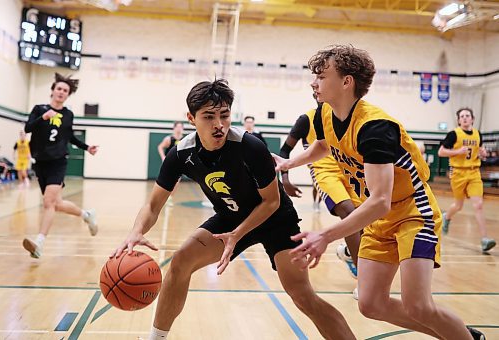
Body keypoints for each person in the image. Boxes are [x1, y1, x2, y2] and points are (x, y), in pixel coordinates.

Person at [112, 79, 355, 340]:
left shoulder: (250, 146)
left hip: (275, 220)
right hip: (231, 218)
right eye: (208, 117)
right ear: (191, 118)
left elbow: (271, 202)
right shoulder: (180, 154)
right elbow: (152, 205)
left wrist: (237, 233)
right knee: (181, 262)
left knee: (303, 296)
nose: (218, 124)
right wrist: (136, 231)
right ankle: (155, 339)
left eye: (224, 115)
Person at [273, 44, 485, 340]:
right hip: (377, 217)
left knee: (419, 306)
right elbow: (323, 145)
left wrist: (325, 235)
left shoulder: (374, 128)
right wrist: (289, 162)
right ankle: (459, 334)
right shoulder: (324, 113)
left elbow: (381, 202)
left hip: (412, 211)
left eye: (321, 76)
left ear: (346, 82)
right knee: (370, 304)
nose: (313, 82)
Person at [279, 101, 361, 283]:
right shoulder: (306, 119)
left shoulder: (349, 114)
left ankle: (348, 252)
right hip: (324, 171)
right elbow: (285, 150)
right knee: (349, 213)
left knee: (366, 218)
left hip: (350, 170)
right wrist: (285, 179)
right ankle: (365, 281)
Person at [22, 73, 99, 259]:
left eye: (65, 90)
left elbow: (69, 136)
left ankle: (39, 243)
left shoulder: (68, 114)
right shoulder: (39, 109)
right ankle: (86, 214)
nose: (61, 92)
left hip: (58, 161)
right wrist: (43, 118)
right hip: (40, 162)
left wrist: (86, 147)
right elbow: (27, 128)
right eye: (59, 89)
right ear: (53, 91)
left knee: (48, 202)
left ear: (67, 95)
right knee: (57, 204)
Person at [438, 108, 496, 252]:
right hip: (458, 173)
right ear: (458, 120)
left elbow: (479, 151)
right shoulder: (453, 134)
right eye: (462, 116)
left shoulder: (477, 134)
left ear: (472, 119)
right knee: (458, 205)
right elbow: (441, 152)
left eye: (467, 116)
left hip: (474, 173)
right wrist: (457, 151)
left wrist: (483, 153)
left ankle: (484, 239)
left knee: (478, 205)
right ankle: (447, 216)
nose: (464, 118)